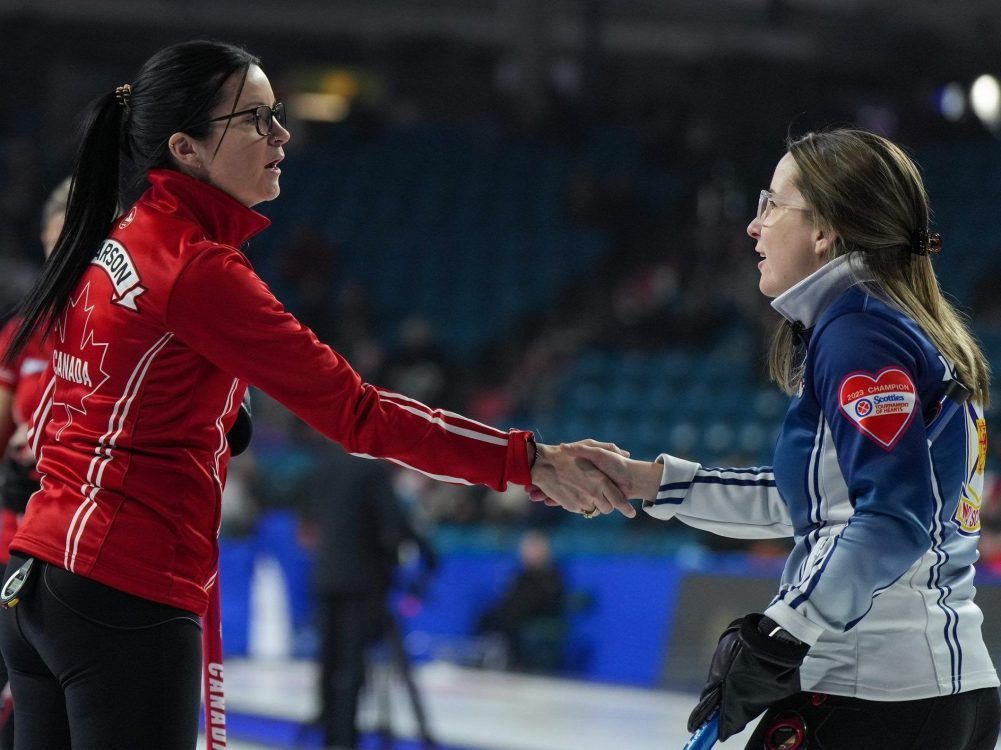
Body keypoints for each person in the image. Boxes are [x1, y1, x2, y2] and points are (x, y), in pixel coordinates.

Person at [0, 40, 633, 750]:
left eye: (277, 114)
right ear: (187, 147)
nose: (282, 135)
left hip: (43, 583)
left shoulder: (120, 241)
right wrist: (526, 461)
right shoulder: (195, 269)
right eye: (256, 119)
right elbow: (357, 413)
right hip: (124, 592)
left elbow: (89, 399)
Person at [552, 129, 1001, 749]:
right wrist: (653, 483)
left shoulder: (861, 333)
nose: (753, 227)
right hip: (925, 695)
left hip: (877, 697)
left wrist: (783, 630)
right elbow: (822, 507)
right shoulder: (877, 326)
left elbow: (895, 520)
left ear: (825, 231)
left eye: (772, 204)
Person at [299, 443, 437, 750]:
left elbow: (310, 522)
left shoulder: (323, 465)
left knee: (330, 661)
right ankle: (345, 741)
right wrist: (412, 560)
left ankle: (331, 735)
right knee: (351, 664)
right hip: (362, 583)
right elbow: (390, 526)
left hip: (325, 578)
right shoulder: (373, 469)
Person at [0, 176, 70, 750]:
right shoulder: (21, 334)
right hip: (14, 532)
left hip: (82, 539)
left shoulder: (120, 324)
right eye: (57, 245)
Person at [476, 529, 566, 672]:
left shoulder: (552, 574)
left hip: (538, 614)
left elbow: (551, 599)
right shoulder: (522, 574)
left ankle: (513, 661)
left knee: (510, 621)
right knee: (487, 617)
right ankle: (487, 654)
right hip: (514, 611)